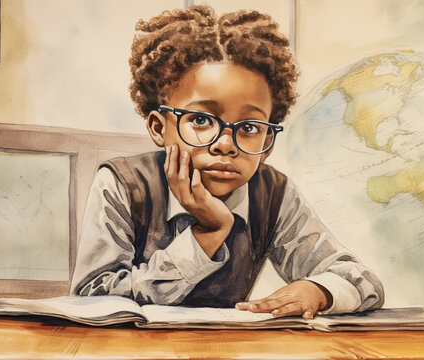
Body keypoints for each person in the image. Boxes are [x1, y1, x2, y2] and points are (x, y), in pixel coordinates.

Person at [70, 5, 384, 319]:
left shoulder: (273, 194)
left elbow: (359, 279)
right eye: (201, 120)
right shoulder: (122, 185)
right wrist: (207, 233)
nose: (225, 145)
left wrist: (319, 291)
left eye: (249, 128)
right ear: (158, 127)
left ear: (267, 145)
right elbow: (91, 296)